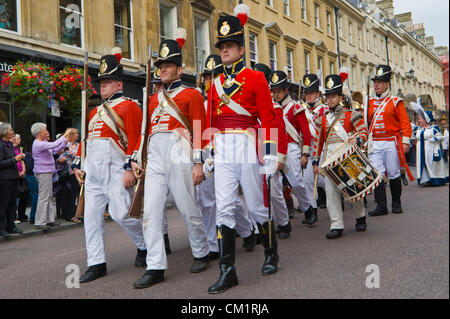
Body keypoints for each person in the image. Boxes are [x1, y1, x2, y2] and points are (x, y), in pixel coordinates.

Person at [205, 8, 280, 294]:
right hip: (222, 145)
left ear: (240, 48)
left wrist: (271, 153)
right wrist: (206, 152)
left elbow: (269, 116)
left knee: (256, 205)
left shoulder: (255, 78)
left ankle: (271, 252)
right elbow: (208, 119)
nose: (224, 51)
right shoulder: (213, 84)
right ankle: (228, 271)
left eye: (229, 46)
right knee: (224, 207)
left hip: (247, 142)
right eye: (221, 47)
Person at [130, 34, 210, 289]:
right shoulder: (152, 98)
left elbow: (199, 131)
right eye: (160, 66)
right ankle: (155, 266)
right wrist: (136, 158)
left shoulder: (192, 95)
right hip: (155, 155)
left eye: (168, 65)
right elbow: (145, 131)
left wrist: (199, 164)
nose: (162, 69)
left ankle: (201, 251)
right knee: (151, 213)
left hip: (180, 152)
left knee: (187, 207)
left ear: (179, 68)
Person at [72, 48, 147, 283]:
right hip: (93, 174)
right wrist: (77, 164)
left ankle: (145, 245)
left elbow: (136, 139)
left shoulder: (129, 106)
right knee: (91, 220)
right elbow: (86, 142)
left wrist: (129, 169)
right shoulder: (93, 112)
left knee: (122, 214)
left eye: (108, 81)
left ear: (119, 84)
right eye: (101, 81)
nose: (102, 85)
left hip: (116, 170)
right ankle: (96, 263)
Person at [200, 54, 257, 257]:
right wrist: (201, 156)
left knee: (230, 201)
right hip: (210, 155)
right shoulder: (203, 101)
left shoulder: (224, 97)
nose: (209, 81)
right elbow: (199, 131)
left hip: (232, 150)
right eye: (206, 77)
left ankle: (248, 230)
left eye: (212, 76)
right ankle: (214, 245)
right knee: (209, 201)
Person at [312, 74, 368, 239]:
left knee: (353, 190)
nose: (329, 100)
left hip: (347, 159)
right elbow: (317, 143)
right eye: (327, 97)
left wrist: (356, 139)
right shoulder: (322, 120)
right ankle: (336, 224)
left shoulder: (351, 115)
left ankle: (360, 216)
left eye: (333, 96)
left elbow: (364, 132)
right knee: (331, 193)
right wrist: (316, 162)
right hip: (330, 161)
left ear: (340, 97)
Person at [365, 65, 413, 216]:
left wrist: (405, 141)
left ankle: (396, 203)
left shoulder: (395, 101)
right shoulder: (368, 102)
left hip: (391, 141)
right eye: (375, 82)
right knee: (378, 174)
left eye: (380, 82)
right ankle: (381, 206)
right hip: (374, 143)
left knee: (393, 172)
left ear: (387, 84)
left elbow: (405, 123)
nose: (376, 85)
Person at [270, 69, 310, 234]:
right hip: (274, 147)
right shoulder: (270, 107)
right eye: (274, 91)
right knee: (276, 187)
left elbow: (305, 132)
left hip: (292, 146)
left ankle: (308, 208)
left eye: (279, 90)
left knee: (296, 182)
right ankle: (283, 220)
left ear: (286, 90)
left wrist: (305, 153)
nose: (276, 94)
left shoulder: (295, 107)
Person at [31, 123, 70, 230]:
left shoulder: (42, 142)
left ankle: (49, 220)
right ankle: (40, 222)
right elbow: (53, 145)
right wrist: (64, 136)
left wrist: (64, 142)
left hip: (47, 172)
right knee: (44, 197)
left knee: (48, 196)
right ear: (39, 132)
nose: (46, 132)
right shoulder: (38, 143)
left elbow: (53, 150)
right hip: (43, 172)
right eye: (44, 130)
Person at [303, 74, 328, 210]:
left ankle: (337, 198)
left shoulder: (324, 110)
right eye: (307, 93)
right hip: (308, 149)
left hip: (322, 149)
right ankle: (311, 210)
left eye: (311, 93)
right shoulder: (302, 111)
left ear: (318, 93)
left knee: (324, 181)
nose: (309, 96)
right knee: (307, 181)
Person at [0, 123, 25, 238]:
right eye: (10, 130)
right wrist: (14, 159)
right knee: (3, 203)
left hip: (13, 177)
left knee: (12, 202)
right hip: (5, 178)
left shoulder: (9, 144)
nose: (12, 132)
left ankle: (11, 225)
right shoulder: (1, 145)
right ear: (4, 132)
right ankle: (1, 227)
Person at [414, 110, 449, 186]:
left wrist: (435, 139)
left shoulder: (433, 128)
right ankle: (425, 179)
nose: (419, 120)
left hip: (431, 149)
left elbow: (441, 136)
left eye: (420, 119)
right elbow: (413, 137)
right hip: (420, 150)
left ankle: (436, 179)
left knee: (431, 163)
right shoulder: (418, 129)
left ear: (426, 119)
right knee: (421, 163)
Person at [56, 128, 81, 223]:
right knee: (72, 194)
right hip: (70, 173)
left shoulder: (79, 145)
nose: (78, 135)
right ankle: (72, 215)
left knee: (79, 193)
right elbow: (61, 157)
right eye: (76, 134)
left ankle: (79, 213)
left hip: (80, 171)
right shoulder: (65, 146)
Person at [12, 134, 28, 223]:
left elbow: (22, 161)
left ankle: (22, 215)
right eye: (18, 138)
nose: (20, 140)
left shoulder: (19, 149)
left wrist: (23, 171)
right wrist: (18, 173)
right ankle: (14, 217)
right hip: (14, 175)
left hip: (22, 175)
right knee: (14, 197)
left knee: (24, 195)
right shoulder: (10, 149)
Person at [24, 152, 38, 224]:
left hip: (31, 175)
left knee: (36, 196)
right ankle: (34, 217)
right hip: (32, 176)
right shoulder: (30, 155)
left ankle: (34, 217)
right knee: (36, 196)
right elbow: (29, 167)